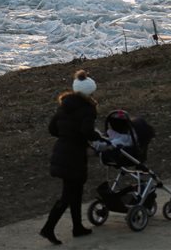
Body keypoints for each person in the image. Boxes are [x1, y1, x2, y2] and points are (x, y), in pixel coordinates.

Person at [40, 69, 102, 245]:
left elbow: (52, 129)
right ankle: (48, 228)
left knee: (76, 191)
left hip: (62, 151)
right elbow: (87, 131)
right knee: (68, 195)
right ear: (89, 93)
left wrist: (66, 134)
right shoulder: (88, 109)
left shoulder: (65, 105)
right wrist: (97, 136)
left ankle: (78, 227)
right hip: (74, 155)